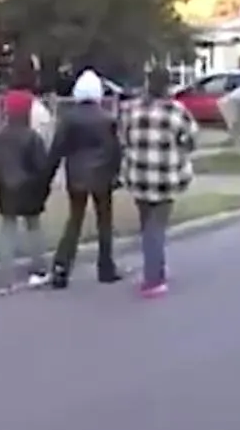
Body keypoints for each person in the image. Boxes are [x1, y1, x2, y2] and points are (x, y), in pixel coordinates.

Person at [119, 67, 199, 298]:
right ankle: (153, 279)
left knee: (148, 225)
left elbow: (123, 138)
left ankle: (157, 268)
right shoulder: (177, 111)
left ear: (147, 84)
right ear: (168, 86)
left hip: (138, 176)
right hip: (165, 178)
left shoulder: (131, 110)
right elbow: (191, 141)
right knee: (156, 228)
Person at [42, 69, 123, 288]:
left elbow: (56, 150)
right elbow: (116, 150)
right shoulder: (107, 119)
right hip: (102, 177)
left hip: (76, 176)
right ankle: (106, 268)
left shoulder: (68, 119)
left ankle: (61, 268)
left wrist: (46, 177)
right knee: (104, 222)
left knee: (74, 221)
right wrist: (116, 174)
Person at [0, 76, 51, 294]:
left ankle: (5, 278)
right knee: (34, 228)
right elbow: (42, 167)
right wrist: (42, 190)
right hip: (30, 190)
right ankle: (39, 270)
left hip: (6, 190)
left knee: (7, 230)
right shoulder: (33, 138)